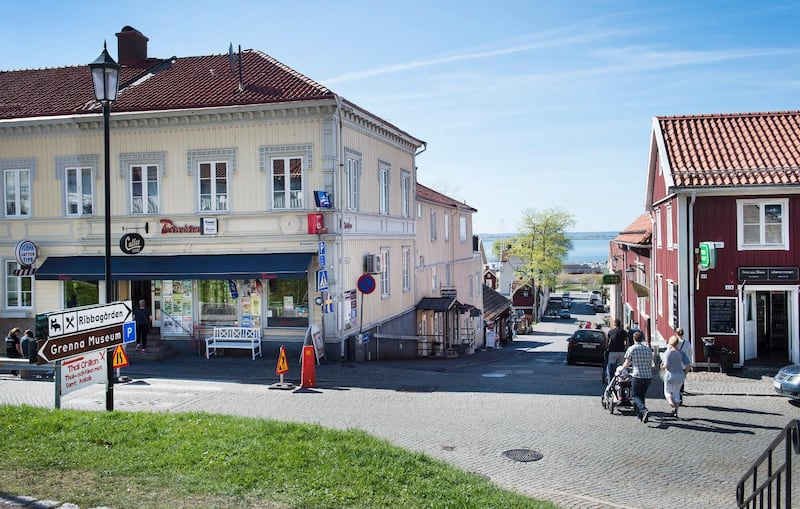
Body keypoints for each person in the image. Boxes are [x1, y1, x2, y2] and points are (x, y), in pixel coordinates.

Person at [620, 330, 653, 423]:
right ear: (642, 339)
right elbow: (651, 364)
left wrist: (621, 369)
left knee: (635, 396)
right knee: (642, 395)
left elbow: (626, 364)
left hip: (637, 375)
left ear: (634, 339)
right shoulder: (647, 349)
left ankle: (644, 410)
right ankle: (640, 415)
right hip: (647, 376)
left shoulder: (631, 349)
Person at [661, 335, 689, 418]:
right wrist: (685, 373)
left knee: (667, 391)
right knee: (676, 393)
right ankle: (676, 411)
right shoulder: (682, 353)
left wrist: (662, 367)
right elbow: (688, 365)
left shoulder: (668, 353)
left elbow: (666, 365)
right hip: (680, 375)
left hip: (670, 375)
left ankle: (671, 403)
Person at [605, 319, 628, 385]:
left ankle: (610, 383)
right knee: (621, 368)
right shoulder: (624, 332)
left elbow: (607, 342)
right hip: (621, 352)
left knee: (610, 367)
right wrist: (626, 348)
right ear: (620, 324)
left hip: (612, 352)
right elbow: (627, 341)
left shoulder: (610, 332)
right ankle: (620, 382)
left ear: (614, 324)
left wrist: (606, 349)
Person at [676, 327, 691, 400]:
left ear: (676, 334)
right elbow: (690, 353)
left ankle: (676, 395)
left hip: (676, 364)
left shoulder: (675, 343)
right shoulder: (687, 343)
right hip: (684, 364)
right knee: (681, 380)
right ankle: (680, 394)